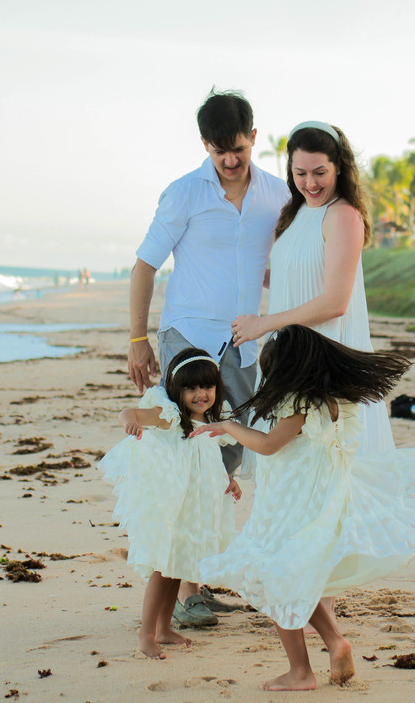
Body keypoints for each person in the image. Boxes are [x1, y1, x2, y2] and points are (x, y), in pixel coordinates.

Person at [192, 325, 415, 691]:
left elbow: (270, 444)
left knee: (273, 579)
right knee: (289, 578)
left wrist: (228, 426)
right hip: (320, 501)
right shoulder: (337, 401)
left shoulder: (299, 404)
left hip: (291, 507)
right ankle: (336, 642)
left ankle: (301, 672)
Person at [128, 89, 291, 626]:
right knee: (189, 455)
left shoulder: (274, 195)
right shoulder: (184, 194)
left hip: (244, 344)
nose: (229, 160)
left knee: (227, 457)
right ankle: (186, 591)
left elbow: (287, 254)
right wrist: (136, 340)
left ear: (254, 138)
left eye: (237, 148)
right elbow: (145, 266)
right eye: (219, 149)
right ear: (205, 144)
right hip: (189, 338)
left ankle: (194, 577)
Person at [230, 120, 393, 455]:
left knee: (326, 473)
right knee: (291, 476)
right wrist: (255, 276)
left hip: (326, 357)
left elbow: (335, 301)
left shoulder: (343, 216)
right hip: (292, 355)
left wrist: (262, 324)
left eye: (320, 172)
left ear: (338, 167)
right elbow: (297, 279)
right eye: (299, 173)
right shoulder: (295, 211)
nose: (310, 183)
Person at [98, 348, 241, 659]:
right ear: (177, 391)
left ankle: (164, 628)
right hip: (174, 507)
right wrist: (129, 420)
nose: (201, 395)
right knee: (163, 569)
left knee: (177, 566)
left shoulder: (213, 420)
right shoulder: (171, 416)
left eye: (207, 387)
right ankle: (145, 634)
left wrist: (227, 480)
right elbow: (134, 413)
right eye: (191, 388)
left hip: (196, 507)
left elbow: (211, 460)